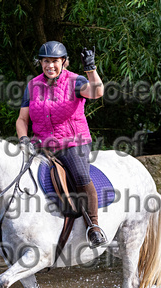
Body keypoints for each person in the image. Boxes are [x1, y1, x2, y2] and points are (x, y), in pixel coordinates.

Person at [16, 41, 107, 248]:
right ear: (41, 63)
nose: (50, 66)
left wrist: (91, 69)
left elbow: (97, 92)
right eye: (46, 61)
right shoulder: (32, 86)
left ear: (63, 62)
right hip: (41, 145)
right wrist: (23, 140)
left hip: (73, 143)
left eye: (55, 61)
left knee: (81, 176)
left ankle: (93, 226)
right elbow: (22, 120)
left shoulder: (76, 81)